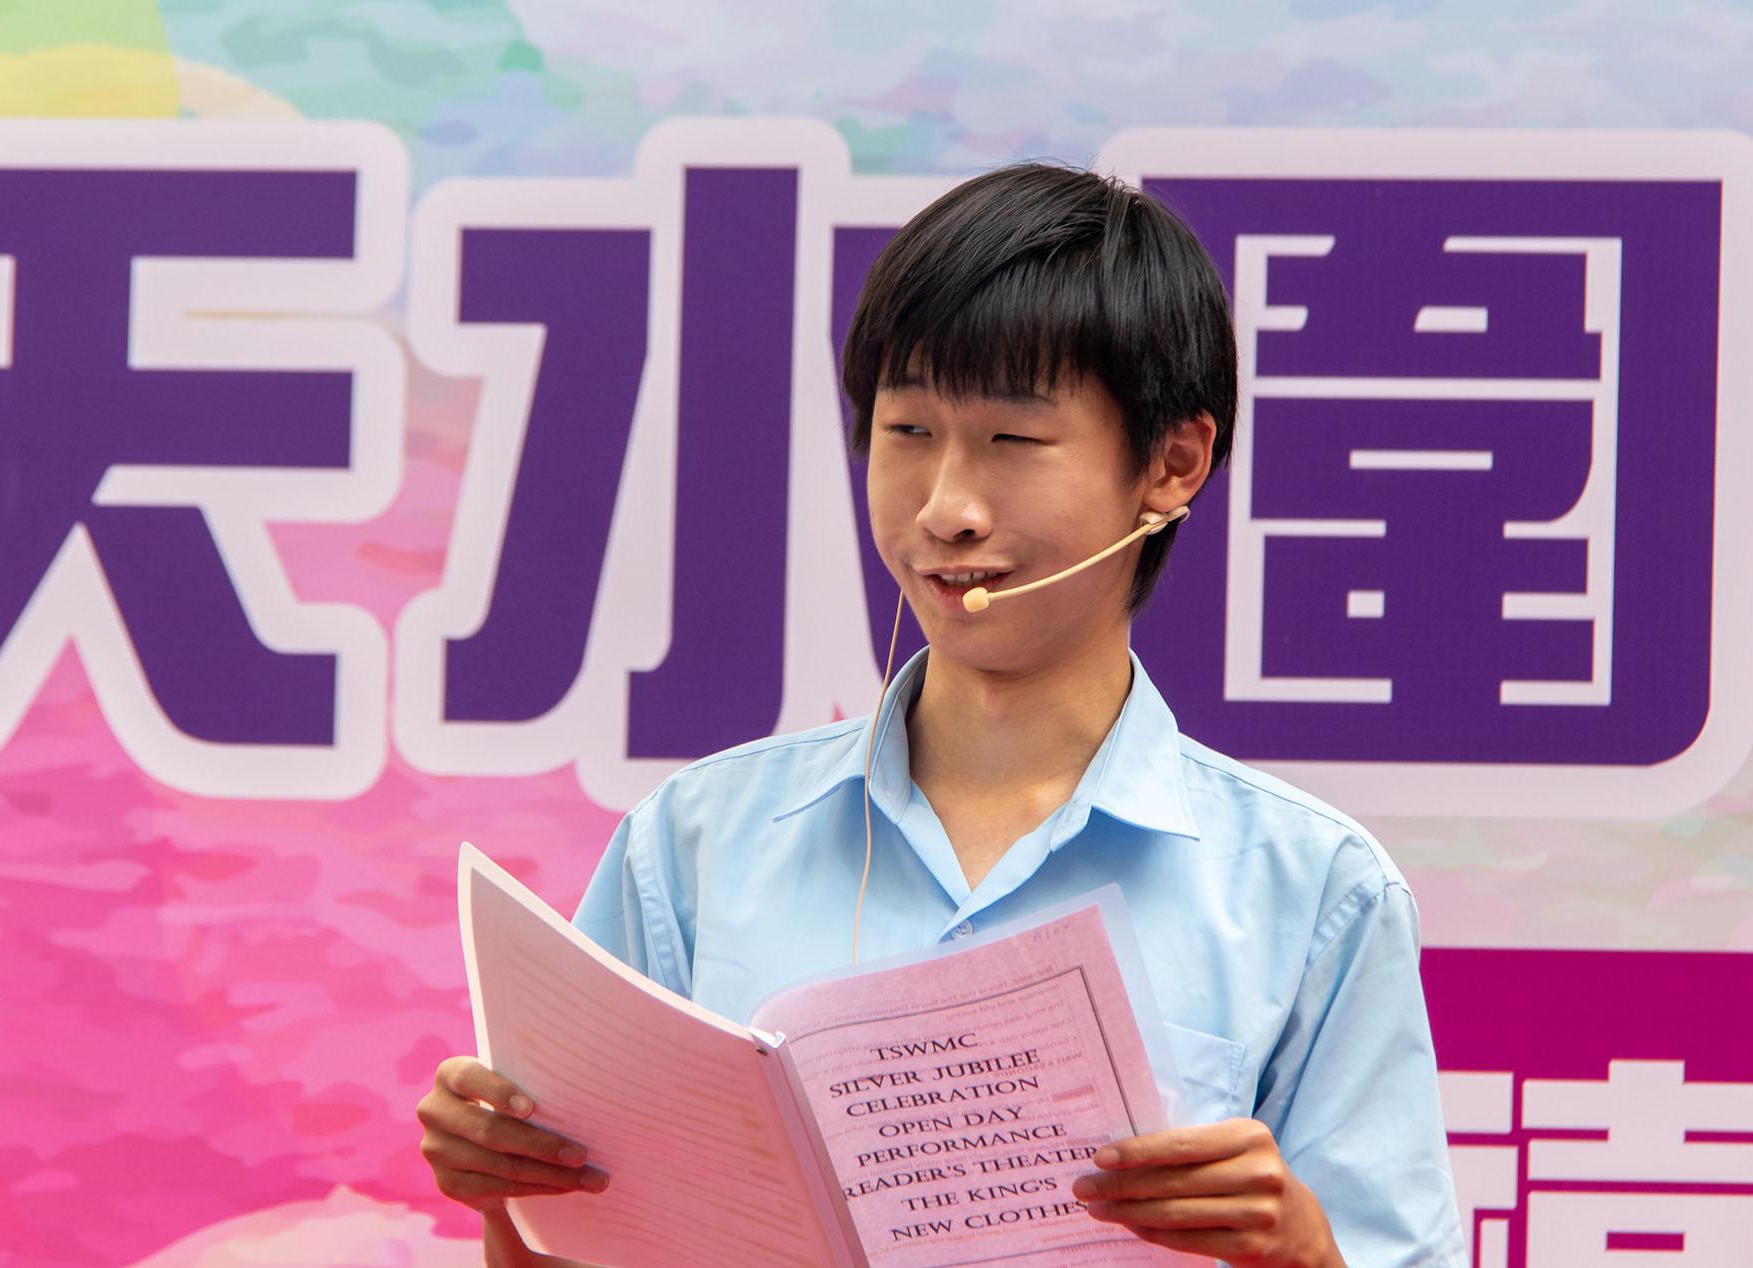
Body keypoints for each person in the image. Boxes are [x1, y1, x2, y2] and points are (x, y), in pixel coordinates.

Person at [418, 162, 1463, 1268]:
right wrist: (511, 1193)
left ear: (1171, 464)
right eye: (907, 431)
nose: (945, 509)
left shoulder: (1312, 890)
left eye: (1012, 442)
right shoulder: (692, 845)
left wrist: (1299, 1250)